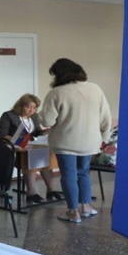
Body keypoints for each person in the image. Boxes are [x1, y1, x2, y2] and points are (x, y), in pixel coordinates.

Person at [37, 58, 112, 223]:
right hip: (90, 142)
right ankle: (86, 208)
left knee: (68, 176)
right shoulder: (95, 88)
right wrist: (104, 137)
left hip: (65, 143)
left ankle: (73, 212)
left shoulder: (56, 93)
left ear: (59, 74)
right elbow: (105, 115)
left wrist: (39, 115)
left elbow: (47, 121)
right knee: (83, 173)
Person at [0, 93, 64, 204]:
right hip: (14, 149)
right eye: (29, 107)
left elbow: (36, 133)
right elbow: (1, 135)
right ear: (21, 106)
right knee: (32, 157)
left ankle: (51, 190)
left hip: (31, 147)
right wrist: (20, 139)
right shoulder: (8, 116)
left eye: (34, 108)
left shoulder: (34, 116)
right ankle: (31, 192)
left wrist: (46, 131)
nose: (31, 110)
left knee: (45, 157)